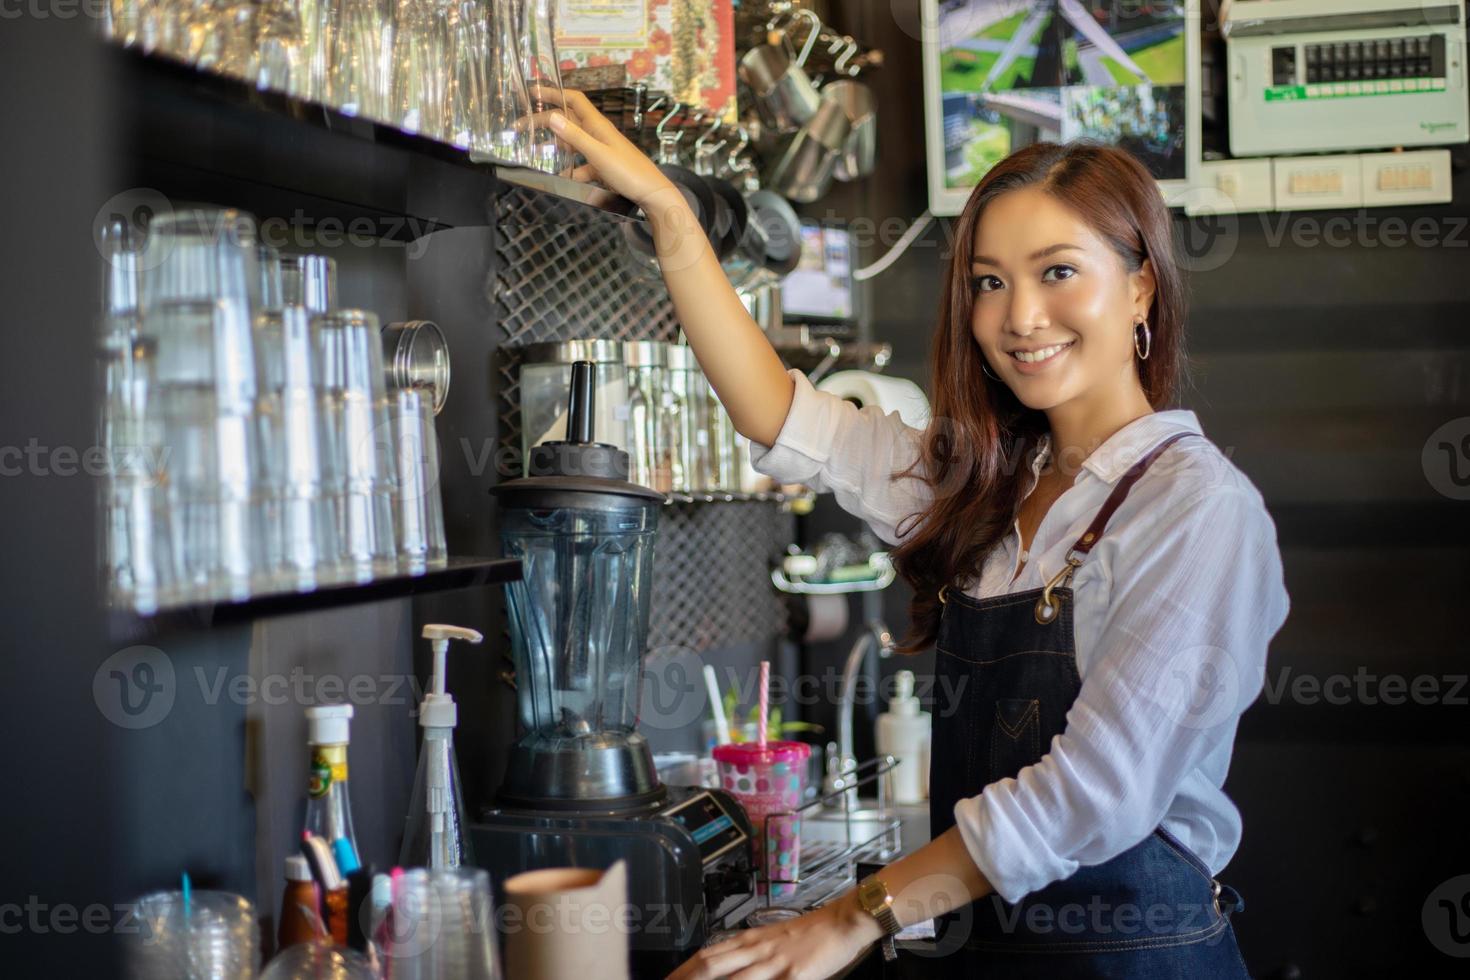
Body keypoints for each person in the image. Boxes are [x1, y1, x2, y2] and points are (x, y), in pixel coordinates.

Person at [543, 92, 1290, 979]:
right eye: (989, 281)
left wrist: (849, 918)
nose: (1019, 318)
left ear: (1140, 287)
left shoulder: (1197, 508)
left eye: (1058, 272)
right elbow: (777, 413)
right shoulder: (979, 484)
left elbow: (1096, 794)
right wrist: (674, 220)